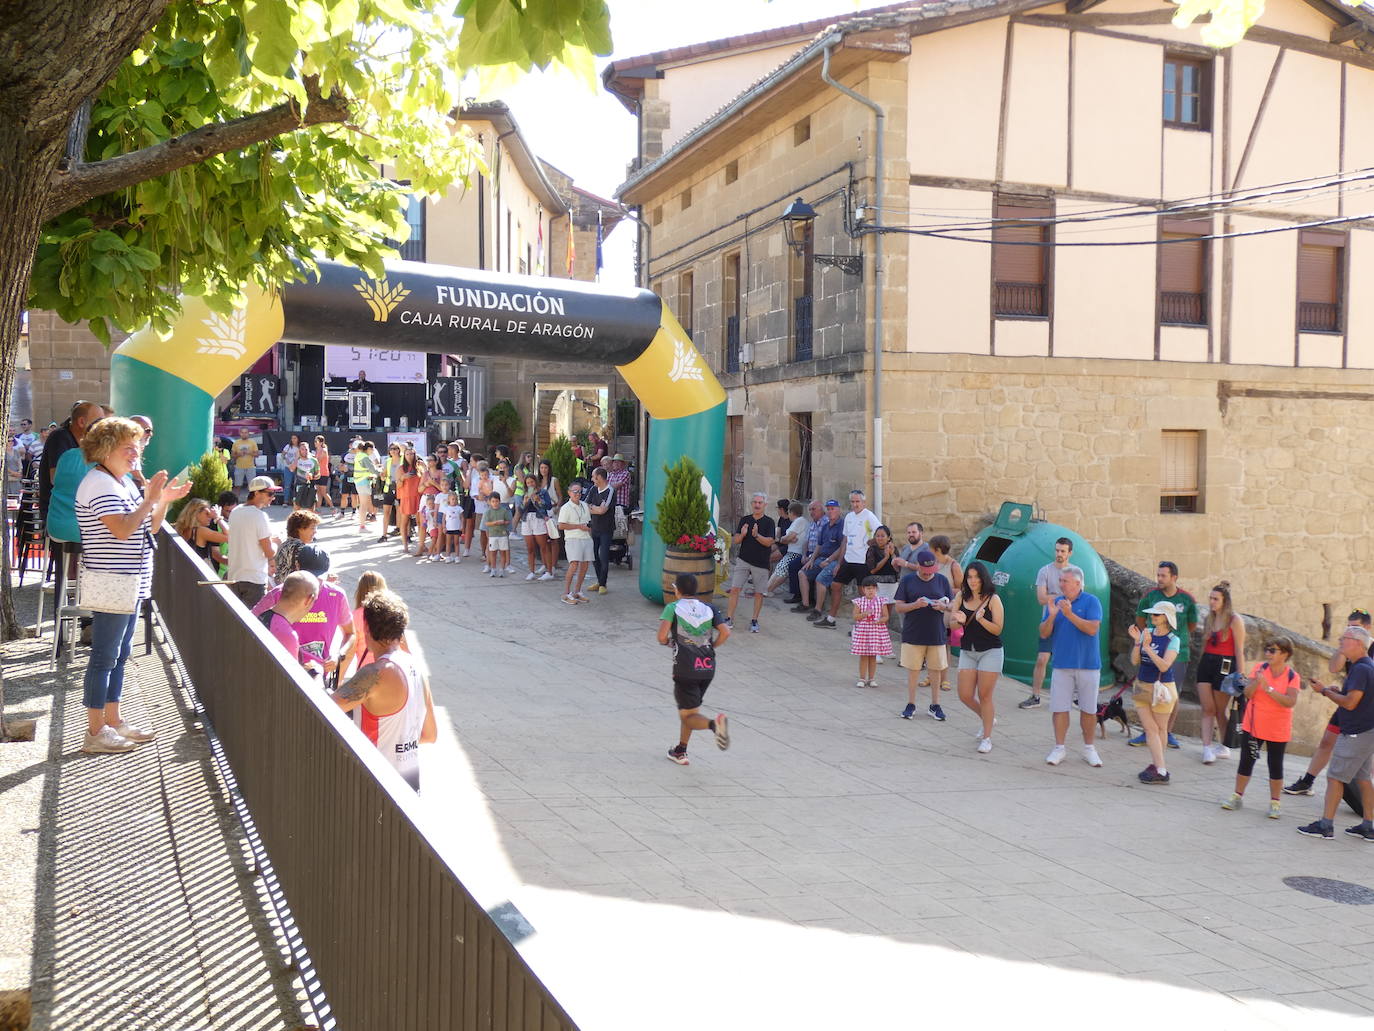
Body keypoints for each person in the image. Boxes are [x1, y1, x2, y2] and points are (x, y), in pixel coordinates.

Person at [75, 417, 189, 753]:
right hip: (113, 582)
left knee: (120, 654)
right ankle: (95, 731)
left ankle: (113, 720)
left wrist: (162, 499)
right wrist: (148, 498)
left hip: (128, 582)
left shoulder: (118, 481)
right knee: (105, 657)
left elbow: (148, 528)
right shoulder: (100, 484)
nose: (136, 453)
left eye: (137, 447)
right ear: (106, 449)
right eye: (129, 447)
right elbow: (123, 530)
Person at [331, 589, 437, 791]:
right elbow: (430, 734)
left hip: (375, 787)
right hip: (410, 786)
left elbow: (322, 708)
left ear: (367, 627)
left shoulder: (375, 674)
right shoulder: (417, 667)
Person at [1286, 608, 1374, 798]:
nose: (1349, 632)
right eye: (1348, 628)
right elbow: (1334, 667)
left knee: (1367, 759)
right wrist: (1343, 648)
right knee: (1327, 741)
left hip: (1366, 712)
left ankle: (1364, 806)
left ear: (1368, 628)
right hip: (1347, 704)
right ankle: (1307, 781)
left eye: (1355, 628)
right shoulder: (1349, 647)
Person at [1297, 625, 1374, 840]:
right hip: (1367, 731)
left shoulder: (1360, 669)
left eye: (1344, 639)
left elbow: (1350, 704)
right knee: (1363, 778)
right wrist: (1334, 692)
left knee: (1334, 777)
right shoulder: (1366, 666)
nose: (1340, 642)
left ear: (1358, 643)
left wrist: (1323, 691)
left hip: (1357, 733)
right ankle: (1368, 825)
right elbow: (1356, 698)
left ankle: (1325, 825)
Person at [657, 572, 731, 766]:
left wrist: (670, 642)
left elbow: (661, 637)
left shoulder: (672, 608)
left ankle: (715, 725)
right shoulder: (709, 608)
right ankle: (681, 750)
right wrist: (712, 647)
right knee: (689, 710)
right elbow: (725, 631)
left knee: (689, 715)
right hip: (707, 667)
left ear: (677, 590)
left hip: (685, 667)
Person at [1221, 637, 1299, 817]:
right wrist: (1257, 682)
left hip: (1277, 730)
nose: (1268, 653)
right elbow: (1247, 693)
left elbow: (1290, 702)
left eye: (1273, 650)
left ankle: (1275, 803)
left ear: (1285, 654)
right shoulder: (1259, 669)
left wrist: (1269, 688)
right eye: (1267, 649)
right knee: (1247, 761)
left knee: (1275, 764)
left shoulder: (1292, 676)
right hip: (1254, 726)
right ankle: (1237, 796)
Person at [252, 544, 354, 678]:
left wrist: (339, 655)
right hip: (282, 675)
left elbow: (350, 633)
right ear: (297, 566)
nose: (314, 583)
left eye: (319, 577)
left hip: (318, 676)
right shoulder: (279, 593)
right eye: (309, 576)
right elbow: (249, 624)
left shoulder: (337, 595)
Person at [1130, 561, 1198, 750]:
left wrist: (1176, 638)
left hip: (1178, 652)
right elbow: (1140, 617)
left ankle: (1166, 732)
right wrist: (1147, 639)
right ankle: (1148, 732)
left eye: (1163, 576)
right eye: (1158, 575)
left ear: (1174, 577)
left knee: (1170, 694)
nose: (1159, 579)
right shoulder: (1150, 596)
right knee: (1146, 688)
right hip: (1151, 649)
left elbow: (1192, 624)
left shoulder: (1187, 599)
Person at [1041, 567, 1103, 767]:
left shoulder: (1092, 601)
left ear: (1077, 583)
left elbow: (1092, 629)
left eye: (1065, 581)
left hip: (1088, 665)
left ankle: (1089, 749)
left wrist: (1069, 614)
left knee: (1089, 709)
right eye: (1060, 580)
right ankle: (1059, 748)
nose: (1061, 584)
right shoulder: (1055, 603)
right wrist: (1051, 616)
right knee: (1059, 709)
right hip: (1061, 664)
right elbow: (1043, 633)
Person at [894, 549, 953, 721]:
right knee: (913, 670)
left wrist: (943, 607)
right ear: (918, 566)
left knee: (935, 670)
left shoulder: (942, 580)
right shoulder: (907, 580)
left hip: (936, 633)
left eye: (931, 572)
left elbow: (952, 604)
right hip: (913, 633)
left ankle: (935, 705)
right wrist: (915, 605)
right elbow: (899, 607)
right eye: (925, 572)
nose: (928, 575)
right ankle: (911, 704)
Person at [1019, 538, 1077, 709]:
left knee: (1071, 660)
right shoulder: (1045, 571)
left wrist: (1052, 595)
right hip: (1049, 621)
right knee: (1042, 659)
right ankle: (1035, 696)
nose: (1059, 554)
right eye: (1057, 550)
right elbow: (1041, 599)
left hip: (1069, 621)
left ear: (1070, 553)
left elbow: (1076, 598)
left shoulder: (1076, 572)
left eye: (1063, 551)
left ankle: (1074, 697)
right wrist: (1062, 596)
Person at [1129, 601, 1182, 784]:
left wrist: (1149, 648)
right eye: (1152, 614)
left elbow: (1165, 665)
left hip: (1162, 689)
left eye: (1157, 615)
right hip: (1143, 685)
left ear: (1166, 618)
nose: (1152, 617)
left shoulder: (1173, 640)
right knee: (1151, 729)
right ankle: (1160, 767)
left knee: (1159, 729)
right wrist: (1138, 643)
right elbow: (1135, 661)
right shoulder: (1147, 634)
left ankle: (1159, 767)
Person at [955, 561, 1004, 753]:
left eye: (976, 577)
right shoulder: (960, 596)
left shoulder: (993, 599)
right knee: (965, 695)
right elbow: (951, 625)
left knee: (985, 696)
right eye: (969, 577)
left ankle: (987, 737)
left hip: (990, 651)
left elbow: (998, 628)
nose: (973, 580)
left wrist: (981, 619)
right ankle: (988, 718)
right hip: (968, 650)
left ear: (983, 578)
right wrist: (956, 621)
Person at [1197, 581, 1246, 764]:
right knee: (1207, 708)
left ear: (1225, 601)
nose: (1211, 602)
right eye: (1210, 598)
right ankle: (1206, 747)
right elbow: (1204, 644)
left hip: (1225, 665)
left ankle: (1224, 745)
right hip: (1206, 663)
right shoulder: (1209, 619)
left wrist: (1240, 676)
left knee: (1219, 710)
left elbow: (1239, 650)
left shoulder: (1235, 621)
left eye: (1215, 599)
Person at [822, 490, 881, 628]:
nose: (855, 504)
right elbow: (845, 540)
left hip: (863, 562)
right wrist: (839, 562)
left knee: (863, 593)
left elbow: (881, 533)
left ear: (864, 502)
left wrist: (871, 543)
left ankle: (864, 625)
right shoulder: (849, 517)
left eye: (857, 501)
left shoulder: (869, 516)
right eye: (853, 502)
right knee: (835, 585)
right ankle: (831, 619)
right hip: (849, 559)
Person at [38, 400, 100, 523]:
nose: (103, 426)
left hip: (80, 510)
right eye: (98, 422)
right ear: (82, 422)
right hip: (62, 513)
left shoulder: (86, 442)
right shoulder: (60, 437)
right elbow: (55, 478)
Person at [724, 492, 775, 633]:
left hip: (761, 563)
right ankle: (729, 618)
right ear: (751, 504)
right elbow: (736, 540)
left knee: (759, 593)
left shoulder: (769, 522)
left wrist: (756, 535)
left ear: (765, 505)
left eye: (760, 502)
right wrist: (744, 534)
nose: (757, 505)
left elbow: (769, 542)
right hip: (743, 560)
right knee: (735, 589)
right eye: (755, 502)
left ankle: (754, 620)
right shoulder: (745, 519)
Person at [227, 475, 279, 607]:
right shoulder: (260, 516)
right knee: (253, 623)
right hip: (254, 579)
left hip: (234, 576)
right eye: (270, 493)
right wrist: (276, 543)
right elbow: (269, 552)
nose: (273, 497)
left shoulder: (235, 511)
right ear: (256, 493)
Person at [257, 570, 322, 671]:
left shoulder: (262, 616)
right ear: (309, 599)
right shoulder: (287, 635)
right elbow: (291, 682)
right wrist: (316, 672)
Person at [801, 500, 844, 621]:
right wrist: (811, 560)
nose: (830, 512)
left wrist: (829, 560)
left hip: (835, 560)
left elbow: (842, 547)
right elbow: (819, 546)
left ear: (839, 510)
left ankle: (817, 610)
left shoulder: (842, 526)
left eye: (833, 509)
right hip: (821, 558)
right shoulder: (825, 526)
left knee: (820, 579)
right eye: (829, 509)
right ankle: (805, 604)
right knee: (802, 572)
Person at [850, 576, 892, 689]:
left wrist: (880, 621)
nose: (871, 591)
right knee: (863, 656)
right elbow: (855, 616)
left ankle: (872, 678)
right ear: (863, 589)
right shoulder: (859, 602)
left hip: (876, 631)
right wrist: (865, 614)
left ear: (876, 589)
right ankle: (862, 678)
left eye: (873, 588)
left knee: (873, 656)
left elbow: (886, 616)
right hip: (863, 632)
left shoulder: (881, 601)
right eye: (868, 588)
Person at [558, 481, 593, 603]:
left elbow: (588, 522)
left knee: (585, 565)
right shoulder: (565, 508)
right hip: (573, 539)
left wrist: (588, 528)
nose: (577, 494)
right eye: (575, 491)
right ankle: (566, 593)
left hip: (586, 538)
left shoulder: (584, 505)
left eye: (579, 491)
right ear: (569, 493)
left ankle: (577, 591)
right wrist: (578, 526)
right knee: (574, 565)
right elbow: (561, 525)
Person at [766, 501, 808, 603]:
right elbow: (787, 538)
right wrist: (786, 539)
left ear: (791, 512)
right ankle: (767, 590)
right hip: (792, 551)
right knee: (780, 569)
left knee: (781, 571)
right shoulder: (798, 521)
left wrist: (785, 539)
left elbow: (787, 538)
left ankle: (767, 590)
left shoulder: (799, 521)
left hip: (795, 552)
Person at [173, 497, 229, 569]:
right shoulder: (200, 531)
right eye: (207, 513)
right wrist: (218, 517)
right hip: (199, 572)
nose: (210, 516)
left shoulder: (179, 528)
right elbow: (229, 536)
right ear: (196, 513)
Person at [587, 467, 616, 594]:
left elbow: (603, 510)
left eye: (593, 477)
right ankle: (599, 581)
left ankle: (603, 584)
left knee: (603, 556)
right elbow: (585, 505)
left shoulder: (610, 490)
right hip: (594, 527)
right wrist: (595, 508)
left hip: (606, 529)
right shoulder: (593, 489)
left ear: (599, 477)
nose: (592, 479)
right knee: (593, 556)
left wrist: (593, 508)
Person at [518, 473, 552, 579]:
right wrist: (524, 502)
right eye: (528, 483)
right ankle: (531, 571)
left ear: (535, 482)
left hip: (538, 519)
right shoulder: (525, 494)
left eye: (532, 482)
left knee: (543, 546)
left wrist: (538, 500)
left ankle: (549, 571)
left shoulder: (543, 492)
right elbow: (520, 510)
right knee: (530, 548)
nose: (530, 485)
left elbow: (548, 506)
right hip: (526, 519)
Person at [274, 508, 321, 584]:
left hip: (282, 589)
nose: (315, 531)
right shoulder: (301, 548)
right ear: (300, 529)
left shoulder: (285, 544)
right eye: (312, 528)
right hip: (295, 590)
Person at [395, 448, 420, 552]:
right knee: (404, 522)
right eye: (407, 454)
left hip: (418, 496)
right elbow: (398, 485)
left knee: (420, 522)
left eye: (411, 454)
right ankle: (405, 545)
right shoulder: (401, 468)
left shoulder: (419, 466)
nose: (410, 456)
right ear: (404, 456)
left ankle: (421, 545)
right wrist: (403, 477)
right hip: (406, 497)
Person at [376, 443, 401, 542]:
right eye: (391, 449)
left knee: (400, 510)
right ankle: (384, 535)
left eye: (396, 448)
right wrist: (382, 475)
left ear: (399, 450)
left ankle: (400, 530)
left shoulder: (403, 460)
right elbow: (384, 476)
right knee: (386, 512)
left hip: (400, 487)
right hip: (389, 488)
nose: (394, 450)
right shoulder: (388, 461)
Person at [438, 489, 464, 564]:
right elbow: (443, 519)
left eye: (456, 499)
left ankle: (457, 556)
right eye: (453, 499)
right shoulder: (446, 508)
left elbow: (462, 517)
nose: (454, 500)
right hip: (449, 528)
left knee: (456, 542)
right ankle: (448, 556)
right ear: (449, 500)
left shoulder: (459, 508)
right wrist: (444, 527)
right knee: (448, 542)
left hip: (457, 528)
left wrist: (462, 525)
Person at [292, 441, 318, 511]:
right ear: (299, 450)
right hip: (299, 484)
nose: (304, 451)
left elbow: (318, 474)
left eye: (306, 449)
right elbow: (291, 469)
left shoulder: (314, 460)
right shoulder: (297, 460)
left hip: (311, 485)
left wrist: (312, 476)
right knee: (297, 505)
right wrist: (297, 458)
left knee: (311, 506)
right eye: (302, 449)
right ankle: (296, 521)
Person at [313, 435, 335, 511]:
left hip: (323, 473)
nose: (315, 443)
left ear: (321, 442)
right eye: (315, 441)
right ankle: (318, 508)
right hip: (317, 473)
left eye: (316, 441)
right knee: (318, 491)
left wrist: (311, 459)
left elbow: (317, 461)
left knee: (323, 492)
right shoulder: (317, 451)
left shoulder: (324, 450)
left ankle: (332, 507)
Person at [278, 434, 300, 501]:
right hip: (288, 467)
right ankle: (286, 500)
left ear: (298, 439)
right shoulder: (288, 446)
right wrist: (285, 459)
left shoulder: (300, 447)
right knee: (287, 485)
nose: (293, 440)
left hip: (297, 468)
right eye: (292, 438)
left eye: (295, 438)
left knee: (297, 485)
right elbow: (282, 455)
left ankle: (296, 500)